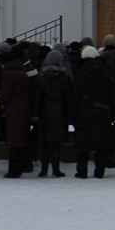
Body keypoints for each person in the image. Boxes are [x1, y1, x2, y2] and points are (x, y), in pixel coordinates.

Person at [72, 46, 115, 178]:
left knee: (82, 143)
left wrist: (73, 114)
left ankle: (82, 170)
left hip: (84, 112)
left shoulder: (80, 73)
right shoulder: (105, 71)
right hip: (102, 111)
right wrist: (112, 112)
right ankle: (99, 170)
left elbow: (76, 96)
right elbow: (111, 94)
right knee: (101, 143)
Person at [0, 45, 34, 177]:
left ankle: (14, 170)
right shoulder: (22, 72)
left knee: (14, 141)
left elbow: (6, 94)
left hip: (13, 110)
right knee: (21, 138)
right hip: (23, 109)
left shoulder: (9, 74)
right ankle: (25, 164)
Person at [34, 49, 72, 177]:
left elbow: (38, 98)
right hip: (60, 112)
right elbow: (68, 97)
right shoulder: (65, 78)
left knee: (45, 142)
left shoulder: (41, 78)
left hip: (45, 112)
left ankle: (44, 169)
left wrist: (36, 113)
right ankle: (56, 169)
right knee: (56, 143)